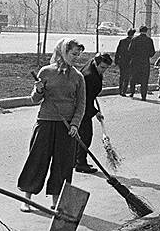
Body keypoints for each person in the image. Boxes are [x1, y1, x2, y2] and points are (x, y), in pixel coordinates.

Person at [18, 38, 86, 211]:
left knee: (62, 164)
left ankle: (56, 202)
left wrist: (75, 125)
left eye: (78, 55)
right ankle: (27, 199)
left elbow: (81, 105)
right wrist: (39, 89)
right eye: (73, 54)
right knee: (37, 160)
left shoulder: (78, 77)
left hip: (66, 128)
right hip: (46, 123)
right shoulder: (46, 72)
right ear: (63, 51)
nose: (76, 58)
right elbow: (34, 99)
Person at [76, 53, 113, 174]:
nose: (104, 70)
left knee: (80, 134)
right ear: (96, 63)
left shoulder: (92, 64)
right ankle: (80, 163)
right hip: (82, 108)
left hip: (84, 105)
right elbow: (85, 99)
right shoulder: (90, 76)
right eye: (102, 67)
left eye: (106, 68)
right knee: (86, 136)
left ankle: (75, 160)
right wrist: (95, 112)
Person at [128, 26, 156, 100]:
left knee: (133, 77)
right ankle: (143, 95)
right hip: (145, 62)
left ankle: (132, 92)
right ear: (146, 31)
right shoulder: (149, 40)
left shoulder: (135, 39)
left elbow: (130, 50)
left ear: (139, 31)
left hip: (135, 61)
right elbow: (152, 52)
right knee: (144, 79)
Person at [115, 28, 136, 97]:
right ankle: (124, 90)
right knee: (127, 77)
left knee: (122, 76)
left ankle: (120, 90)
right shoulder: (133, 42)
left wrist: (116, 60)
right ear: (133, 34)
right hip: (129, 61)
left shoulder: (122, 41)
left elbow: (118, 51)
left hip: (122, 61)